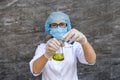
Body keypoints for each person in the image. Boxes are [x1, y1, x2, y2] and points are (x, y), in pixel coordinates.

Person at [29, 11, 96, 80]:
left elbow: (91, 60)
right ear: (49, 27)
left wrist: (84, 41)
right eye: (54, 25)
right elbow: (35, 70)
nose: (58, 28)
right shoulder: (42, 47)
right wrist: (46, 55)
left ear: (67, 26)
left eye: (61, 24)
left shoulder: (74, 45)